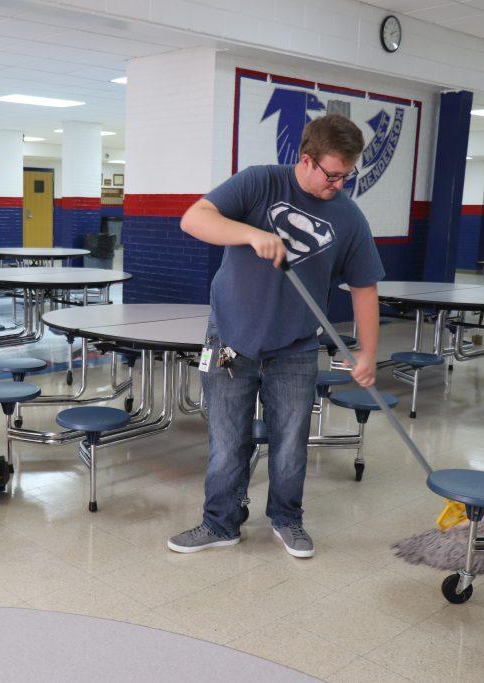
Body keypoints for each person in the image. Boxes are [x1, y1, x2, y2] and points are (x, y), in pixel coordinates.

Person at [168, 114, 384, 557]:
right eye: (332, 174)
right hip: (229, 339)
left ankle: (287, 520)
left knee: (290, 443)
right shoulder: (258, 183)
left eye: (347, 174)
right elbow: (194, 219)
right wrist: (251, 234)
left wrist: (368, 352)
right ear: (306, 159)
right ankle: (220, 523)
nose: (339, 184)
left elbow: (364, 288)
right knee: (228, 441)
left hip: (296, 346)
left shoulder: (348, 217)